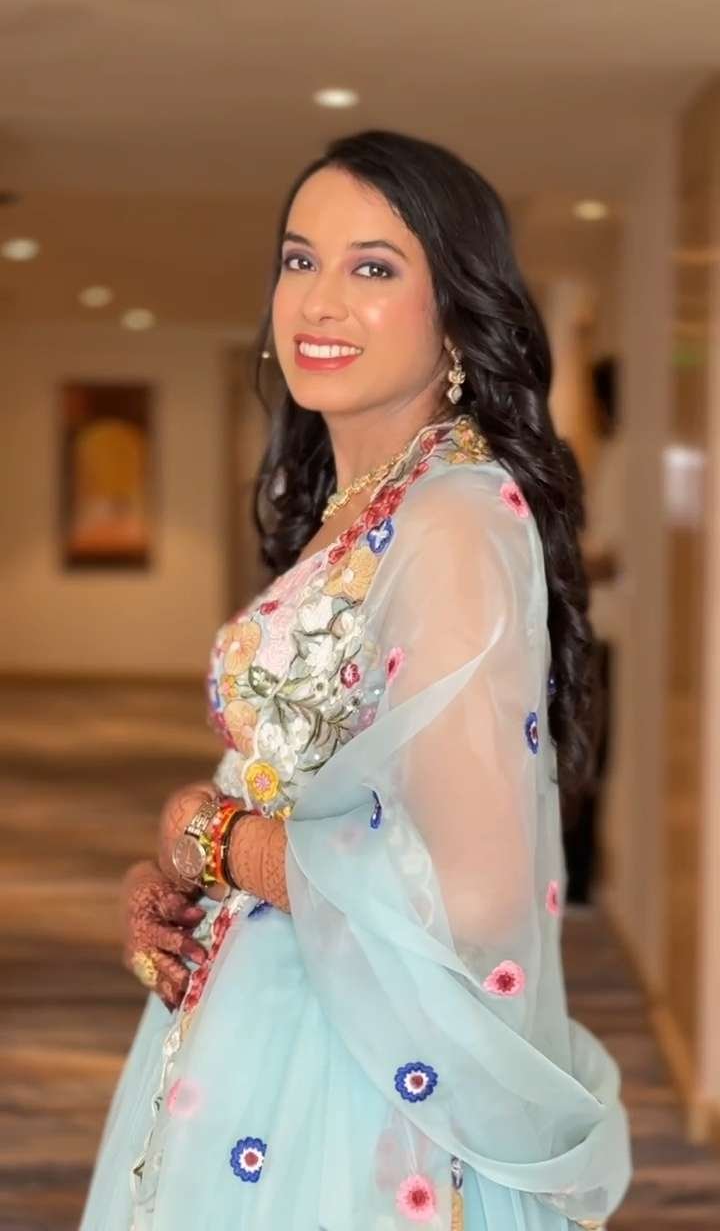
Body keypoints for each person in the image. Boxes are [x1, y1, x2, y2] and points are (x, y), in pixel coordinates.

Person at [79, 130, 632, 1231]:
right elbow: (313, 777)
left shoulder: (454, 516)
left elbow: (472, 892)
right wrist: (184, 863)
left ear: (456, 312)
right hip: (273, 1023)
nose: (319, 300)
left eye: (374, 267)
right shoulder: (367, 505)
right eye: (300, 259)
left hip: (359, 1079)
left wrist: (214, 837)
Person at [563, 358, 624, 904]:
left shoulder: (625, 462)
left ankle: (581, 880)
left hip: (611, 633)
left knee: (591, 758)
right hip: (600, 630)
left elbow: (614, 554)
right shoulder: (612, 459)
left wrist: (565, 563)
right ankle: (578, 877)